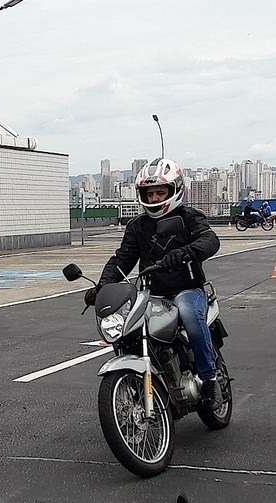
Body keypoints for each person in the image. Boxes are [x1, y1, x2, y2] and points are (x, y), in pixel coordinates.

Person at [89, 157, 223, 410]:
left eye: (160, 192)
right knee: (127, 328)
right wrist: (102, 286)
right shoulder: (137, 226)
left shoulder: (190, 217)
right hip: (151, 294)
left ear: (175, 190)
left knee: (190, 318)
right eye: (149, 194)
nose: (153, 199)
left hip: (187, 289)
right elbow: (122, 259)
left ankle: (209, 380)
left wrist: (186, 252)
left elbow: (210, 241)